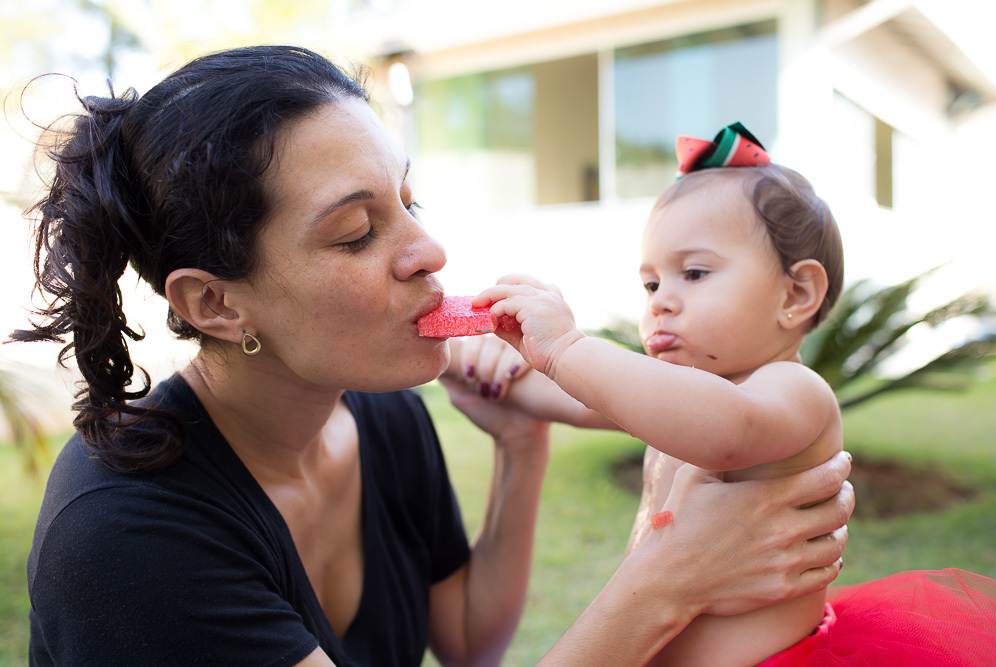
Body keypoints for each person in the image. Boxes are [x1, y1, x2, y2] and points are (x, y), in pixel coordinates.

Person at [13, 50, 854, 666]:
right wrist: (670, 577)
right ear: (214, 303)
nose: (429, 249)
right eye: (357, 231)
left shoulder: (378, 410)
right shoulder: (126, 536)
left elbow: (467, 640)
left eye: (408, 199)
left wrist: (520, 443)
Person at [454, 124, 996, 665]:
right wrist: (487, 364)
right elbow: (576, 400)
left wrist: (569, 348)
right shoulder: (675, 396)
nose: (662, 301)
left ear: (797, 292)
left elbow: (728, 434)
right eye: (651, 283)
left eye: (693, 273)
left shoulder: (792, 392)